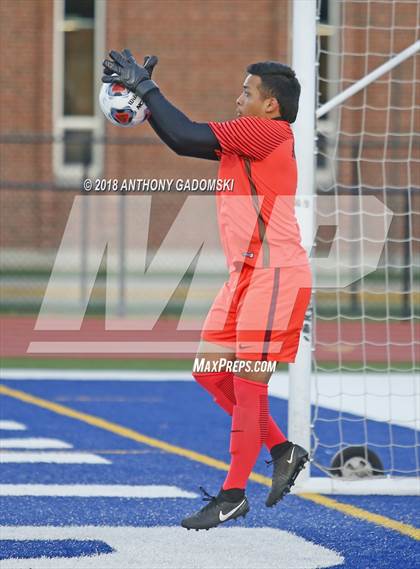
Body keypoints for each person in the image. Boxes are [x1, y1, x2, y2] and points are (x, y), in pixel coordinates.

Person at [102, 50, 312, 531]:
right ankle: (282, 449)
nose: (238, 99)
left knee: (245, 382)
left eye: (247, 92)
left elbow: (188, 133)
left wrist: (146, 92)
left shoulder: (270, 133)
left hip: (275, 275)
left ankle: (233, 493)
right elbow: (183, 142)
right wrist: (145, 99)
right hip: (247, 275)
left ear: (271, 107)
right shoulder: (247, 139)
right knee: (210, 372)